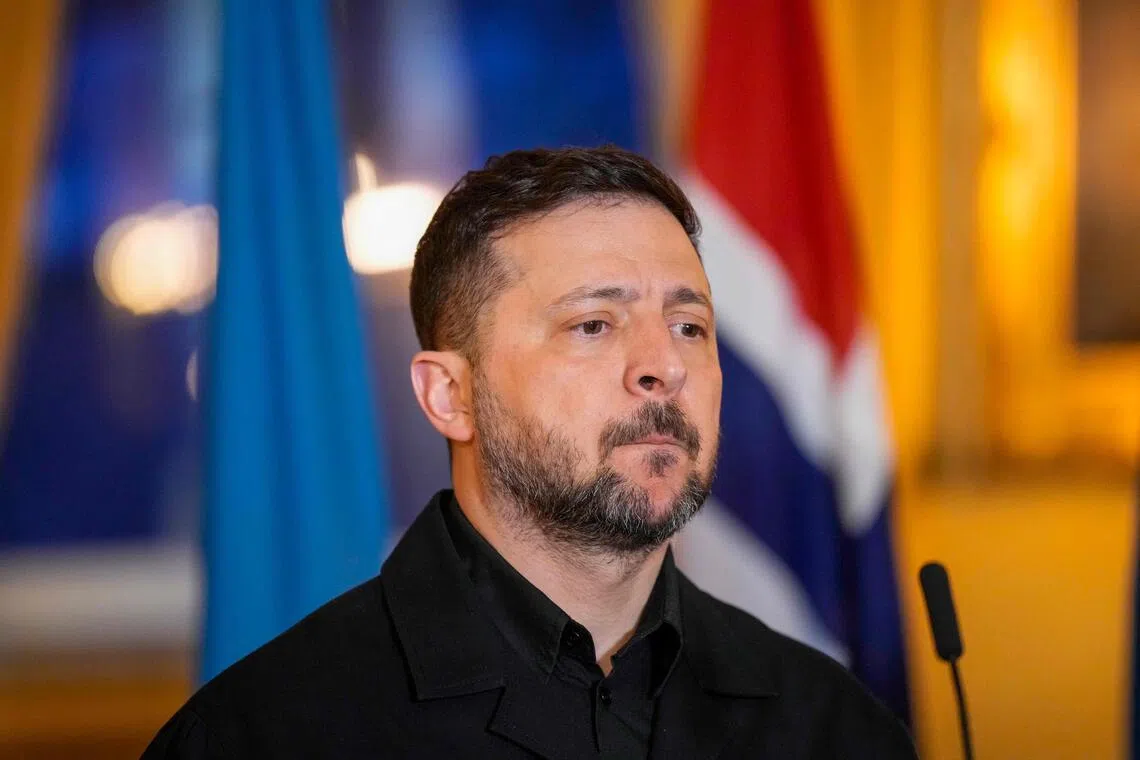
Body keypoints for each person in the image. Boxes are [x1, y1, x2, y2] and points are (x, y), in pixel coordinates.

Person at [143, 146, 917, 759]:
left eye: (689, 327)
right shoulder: (265, 735)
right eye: (593, 325)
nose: (664, 365)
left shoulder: (834, 728)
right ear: (450, 395)